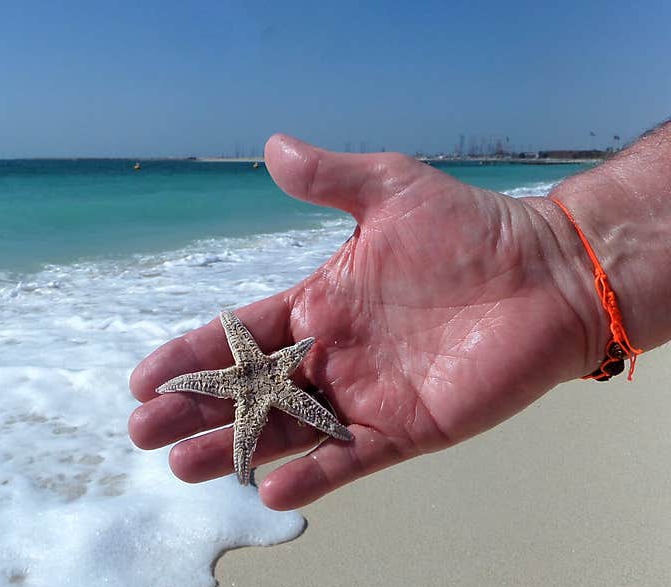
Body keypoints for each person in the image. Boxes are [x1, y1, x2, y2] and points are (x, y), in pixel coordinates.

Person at [128, 121, 671, 511]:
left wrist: (566, 257)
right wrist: (567, 258)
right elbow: (269, 365)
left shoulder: (280, 362)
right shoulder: (270, 365)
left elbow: (287, 360)